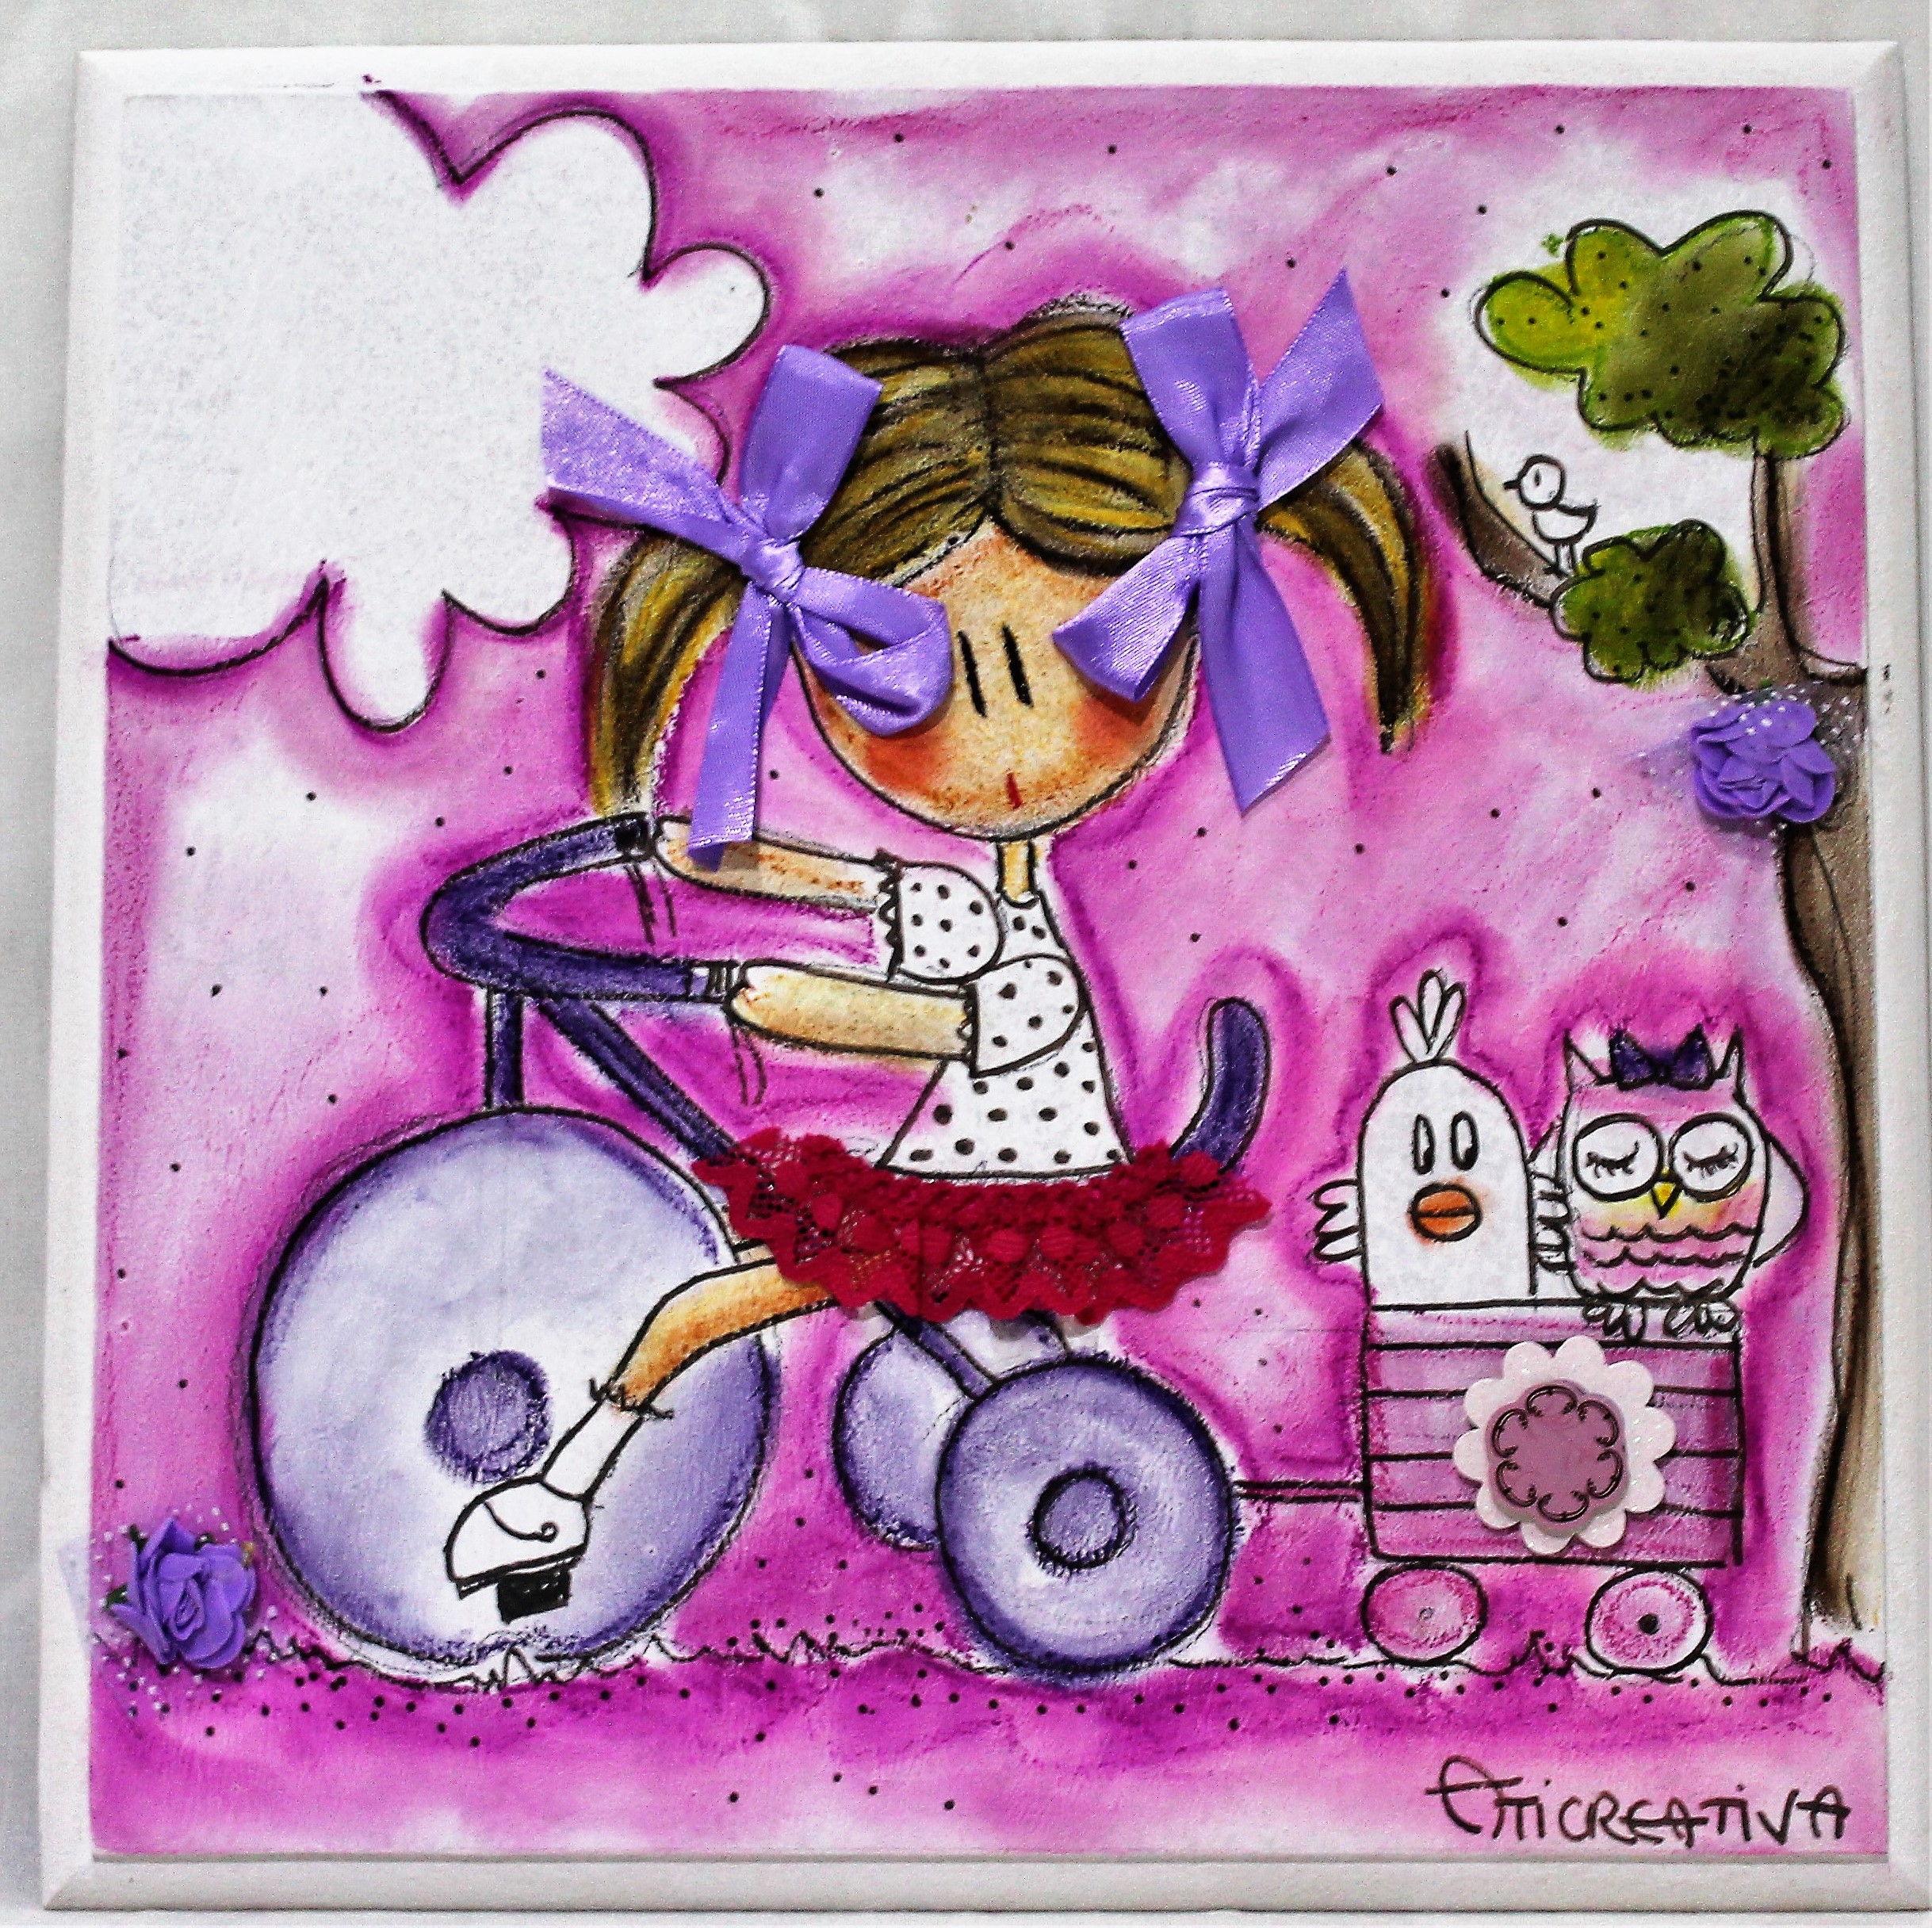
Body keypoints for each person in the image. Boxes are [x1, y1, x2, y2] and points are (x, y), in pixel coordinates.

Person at [446, 277, 1426, 1597]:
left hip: (993, 1201)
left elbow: (908, 1022)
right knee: (885, 1322)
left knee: (703, 1309)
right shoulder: (982, 902)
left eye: (1077, 674)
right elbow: (850, 884)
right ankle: (982, 1438)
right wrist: (698, 851)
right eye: (913, 685)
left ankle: (555, 1503)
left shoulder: (1008, 952)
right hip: (977, 1187)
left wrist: (736, 988)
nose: (1009, 750)